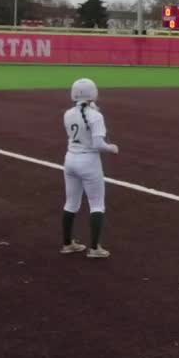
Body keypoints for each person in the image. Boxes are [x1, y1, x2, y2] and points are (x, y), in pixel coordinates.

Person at [61, 78, 119, 258]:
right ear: (93, 93)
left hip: (70, 159)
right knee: (97, 204)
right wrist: (112, 148)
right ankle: (94, 248)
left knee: (71, 203)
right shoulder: (95, 116)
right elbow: (98, 144)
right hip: (89, 162)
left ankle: (67, 244)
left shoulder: (68, 114)